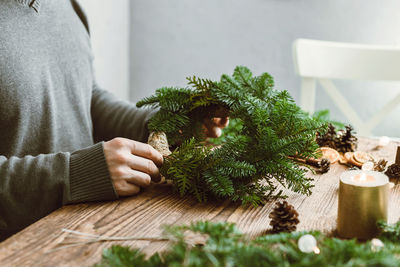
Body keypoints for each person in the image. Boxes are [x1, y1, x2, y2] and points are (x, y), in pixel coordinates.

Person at [0, 0, 228, 241]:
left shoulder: (66, 5)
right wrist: (77, 173)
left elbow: (87, 99)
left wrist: (162, 124)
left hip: (84, 232)